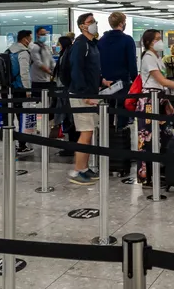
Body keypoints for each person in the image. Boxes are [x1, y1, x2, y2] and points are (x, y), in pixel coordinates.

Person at [136, 29, 174, 185]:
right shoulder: (148, 58)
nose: (160, 41)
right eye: (157, 39)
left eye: (160, 38)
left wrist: (168, 103)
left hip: (160, 99)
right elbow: (161, 81)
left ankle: (163, 169)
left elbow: (162, 85)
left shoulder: (158, 58)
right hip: (149, 101)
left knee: (165, 136)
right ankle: (145, 175)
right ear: (149, 42)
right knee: (147, 138)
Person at [68, 13, 111, 185]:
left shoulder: (91, 44)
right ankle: (77, 171)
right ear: (82, 26)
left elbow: (90, 68)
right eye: (90, 22)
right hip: (81, 95)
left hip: (92, 93)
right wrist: (84, 93)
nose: (94, 24)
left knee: (90, 131)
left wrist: (101, 80)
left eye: (94, 21)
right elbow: (76, 70)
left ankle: (84, 168)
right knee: (85, 132)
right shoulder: (80, 45)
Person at [97, 12, 138, 130]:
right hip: (123, 82)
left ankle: (107, 136)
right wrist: (135, 81)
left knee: (107, 110)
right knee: (122, 110)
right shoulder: (127, 40)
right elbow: (132, 63)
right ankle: (120, 136)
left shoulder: (102, 40)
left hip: (106, 81)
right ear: (121, 23)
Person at [7, 30, 34, 153]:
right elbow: (24, 73)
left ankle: (9, 141)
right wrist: (28, 89)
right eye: (30, 38)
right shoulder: (23, 53)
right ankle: (22, 145)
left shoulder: (9, 51)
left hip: (8, 88)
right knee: (22, 116)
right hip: (19, 88)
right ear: (24, 39)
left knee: (9, 116)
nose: (31, 41)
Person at [52, 36, 77, 154]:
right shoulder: (67, 53)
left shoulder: (65, 55)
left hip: (65, 91)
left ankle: (71, 146)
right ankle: (71, 144)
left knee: (68, 118)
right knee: (68, 118)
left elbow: (64, 73)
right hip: (65, 90)